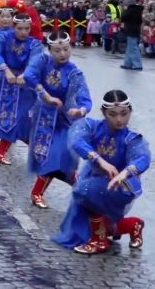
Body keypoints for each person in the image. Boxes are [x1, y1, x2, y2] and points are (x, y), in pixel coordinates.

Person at [52, 90, 150, 254]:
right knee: (83, 226)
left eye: (124, 114)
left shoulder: (131, 138)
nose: (119, 119)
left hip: (120, 184)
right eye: (113, 114)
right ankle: (133, 225)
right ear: (104, 113)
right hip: (93, 177)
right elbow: (77, 139)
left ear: (130, 112)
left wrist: (124, 173)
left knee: (87, 191)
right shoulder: (92, 127)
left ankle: (99, 241)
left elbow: (143, 158)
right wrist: (99, 160)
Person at [23, 30, 92, 209]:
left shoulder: (74, 73)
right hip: (43, 119)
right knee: (52, 157)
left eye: (66, 49)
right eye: (57, 50)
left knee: (61, 157)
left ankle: (81, 191)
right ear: (50, 50)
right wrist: (45, 95)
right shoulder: (43, 62)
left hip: (65, 122)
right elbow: (29, 75)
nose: (62, 54)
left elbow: (85, 99)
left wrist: (81, 110)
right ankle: (38, 193)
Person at [0, 14, 43, 165]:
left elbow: (35, 61)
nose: (23, 32)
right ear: (13, 27)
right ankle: (2, 152)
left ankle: (41, 154)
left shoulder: (34, 44)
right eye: (20, 28)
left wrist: (25, 74)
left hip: (25, 85)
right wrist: (6, 70)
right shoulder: (3, 37)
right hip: (5, 81)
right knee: (8, 118)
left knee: (23, 118)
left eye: (26, 29)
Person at [120, 0, 144, 70]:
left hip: (131, 31)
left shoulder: (131, 10)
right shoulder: (137, 10)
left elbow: (123, 17)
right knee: (130, 48)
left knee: (133, 48)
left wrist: (124, 10)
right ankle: (128, 63)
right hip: (134, 31)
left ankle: (137, 65)